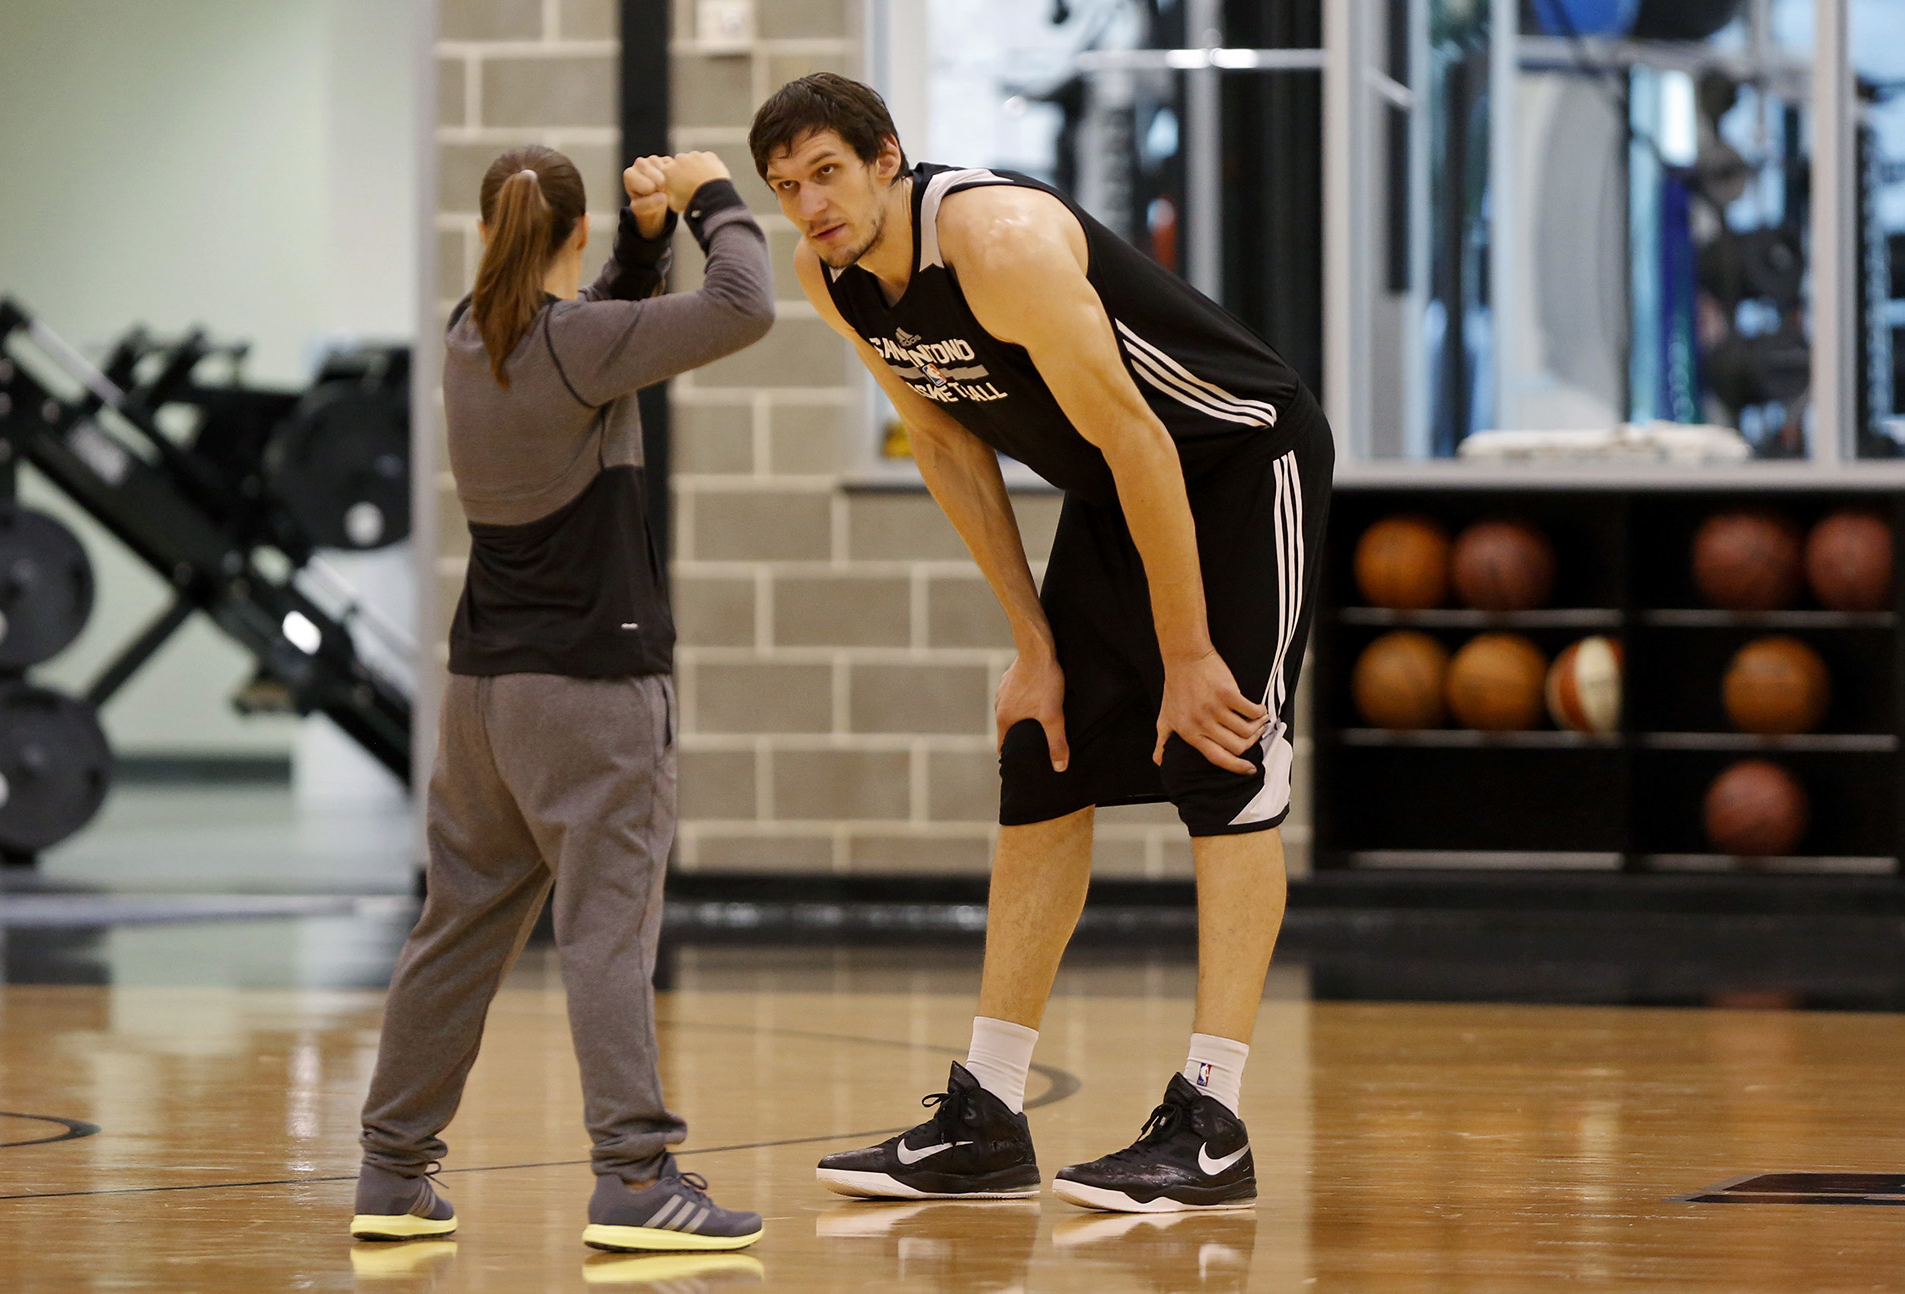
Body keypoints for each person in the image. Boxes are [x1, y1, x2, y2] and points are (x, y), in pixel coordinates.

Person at [750, 75, 1332, 1214]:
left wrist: (1188, 652)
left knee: (1221, 755)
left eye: (825, 172)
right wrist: (1033, 643)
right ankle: (988, 1111)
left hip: (1233, 463)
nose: (809, 206)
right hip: (1116, 494)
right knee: (1041, 749)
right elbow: (943, 443)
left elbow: (1139, 434)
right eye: (784, 189)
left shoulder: (999, 240)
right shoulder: (834, 282)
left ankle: (1212, 1122)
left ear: (885, 158)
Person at [349, 144, 774, 1253]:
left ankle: (392, 1172)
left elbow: (600, 326)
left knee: (454, 930)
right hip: (591, 692)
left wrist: (642, 241)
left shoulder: (464, 337)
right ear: (569, 233)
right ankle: (634, 1174)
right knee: (604, 934)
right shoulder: (576, 345)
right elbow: (742, 304)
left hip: (483, 699)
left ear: (488, 233)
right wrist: (710, 195)